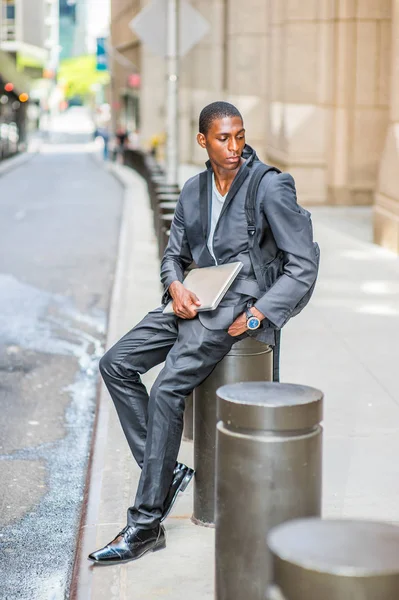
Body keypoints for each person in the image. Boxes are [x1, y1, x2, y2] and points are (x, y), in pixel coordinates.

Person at [88, 101, 319, 565]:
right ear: (202, 141)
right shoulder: (193, 191)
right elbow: (173, 255)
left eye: (239, 136)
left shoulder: (269, 186)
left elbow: (304, 264)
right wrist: (174, 285)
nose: (234, 147)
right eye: (222, 138)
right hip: (194, 299)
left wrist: (259, 315)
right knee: (115, 364)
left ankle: (145, 522)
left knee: (169, 386)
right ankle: (166, 469)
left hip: (236, 305)